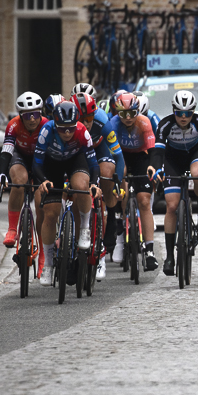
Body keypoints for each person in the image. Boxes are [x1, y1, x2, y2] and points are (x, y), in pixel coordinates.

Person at [32, 100, 101, 286]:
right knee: (50, 213)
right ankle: (48, 264)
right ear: (55, 124)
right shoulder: (46, 131)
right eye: (63, 129)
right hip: (51, 165)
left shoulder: (82, 132)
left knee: (81, 185)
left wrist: (94, 184)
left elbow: (93, 164)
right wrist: (43, 180)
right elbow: (36, 163)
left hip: (75, 161)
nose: (68, 133)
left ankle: (84, 228)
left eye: (71, 128)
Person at [154, 90, 198, 276]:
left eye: (188, 113)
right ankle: (170, 257)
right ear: (174, 111)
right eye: (179, 112)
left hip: (194, 155)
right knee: (172, 206)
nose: (184, 117)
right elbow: (158, 152)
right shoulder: (165, 124)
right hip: (173, 160)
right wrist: (157, 169)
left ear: (193, 111)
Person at [71, 91, 124, 279]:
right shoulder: (67, 124)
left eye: (89, 118)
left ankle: (111, 217)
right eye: (82, 119)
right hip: (78, 153)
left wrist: (117, 183)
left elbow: (118, 156)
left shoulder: (102, 121)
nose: (86, 123)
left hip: (99, 150)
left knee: (107, 173)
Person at [113, 93, 161, 271]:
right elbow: (112, 153)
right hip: (121, 156)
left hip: (141, 157)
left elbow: (153, 150)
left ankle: (149, 250)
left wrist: (153, 167)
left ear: (137, 112)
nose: (128, 118)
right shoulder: (113, 124)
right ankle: (119, 238)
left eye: (132, 113)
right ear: (118, 113)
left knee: (144, 201)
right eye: (123, 114)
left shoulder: (144, 122)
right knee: (122, 181)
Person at [0, 91, 48, 250]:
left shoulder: (47, 125)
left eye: (35, 114)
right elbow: (6, 152)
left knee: (41, 198)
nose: (32, 119)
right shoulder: (13, 125)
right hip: (20, 156)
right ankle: (12, 230)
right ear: (20, 116)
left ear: (40, 113)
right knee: (19, 181)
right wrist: (1, 174)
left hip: (40, 159)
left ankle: (43, 249)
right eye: (27, 115)